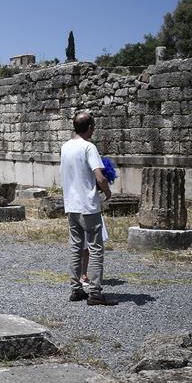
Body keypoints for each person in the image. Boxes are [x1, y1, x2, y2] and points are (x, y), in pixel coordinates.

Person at [60, 111, 115, 306]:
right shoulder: (89, 147)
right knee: (95, 248)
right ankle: (95, 292)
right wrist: (107, 192)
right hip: (88, 206)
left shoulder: (65, 147)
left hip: (71, 205)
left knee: (75, 247)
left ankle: (76, 289)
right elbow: (99, 176)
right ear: (90, 128)